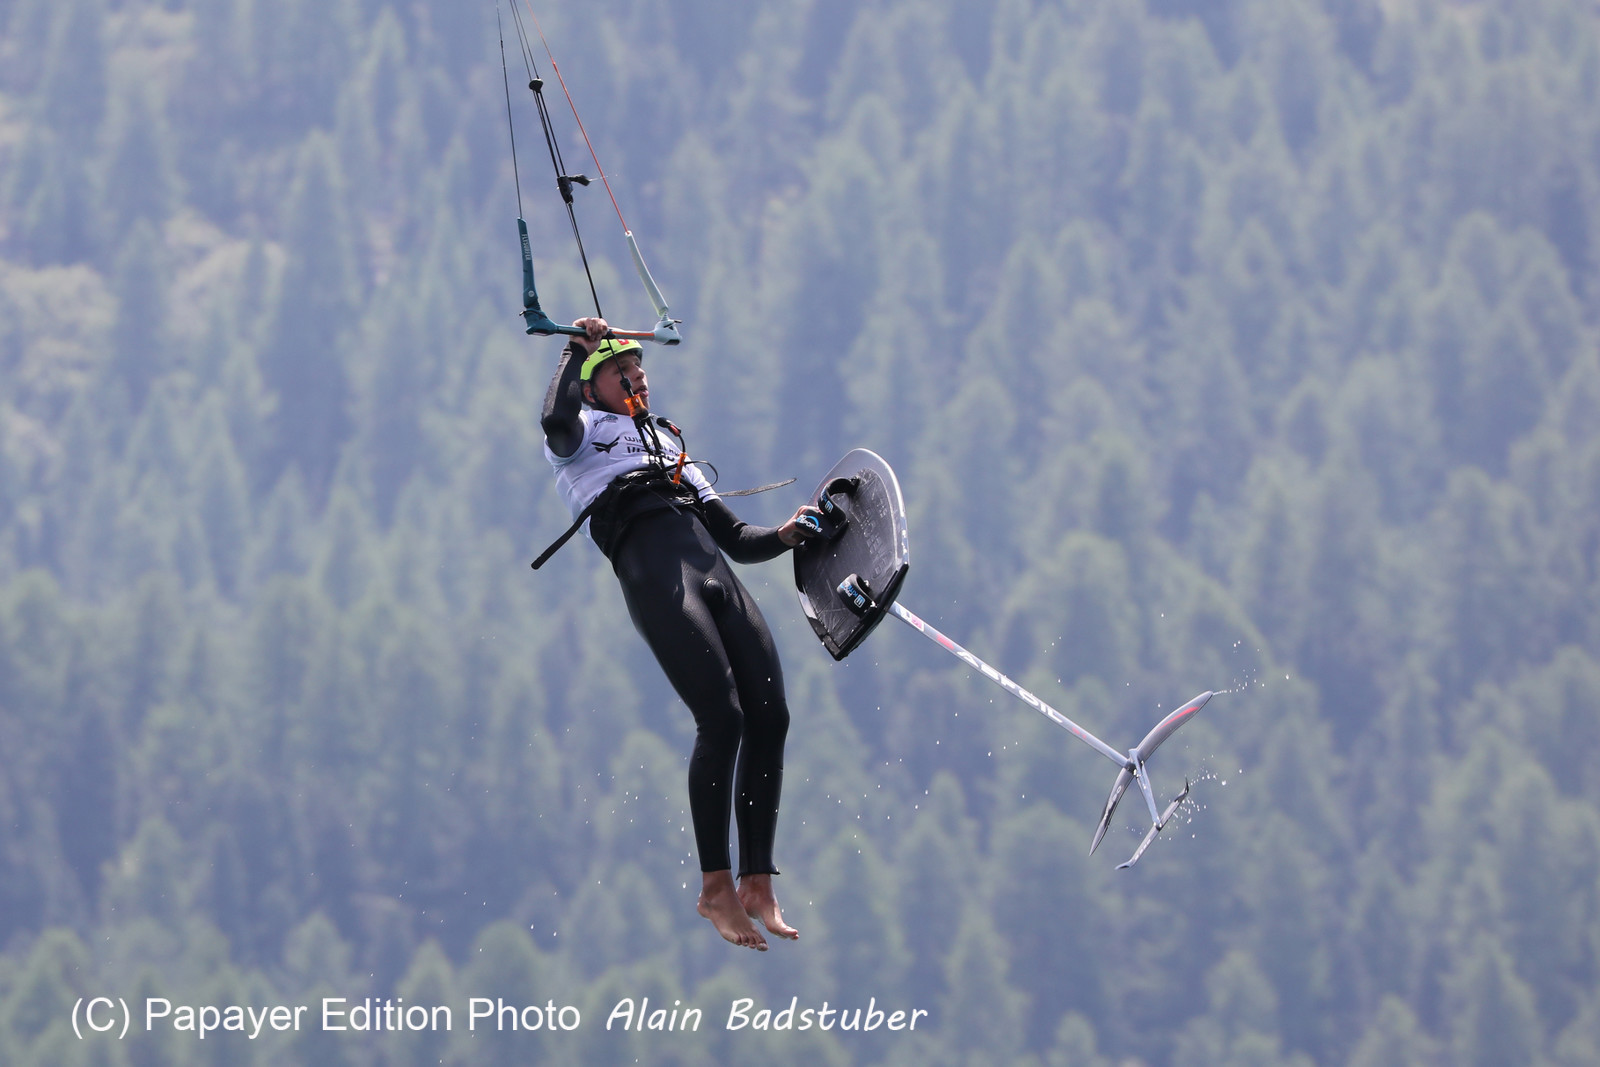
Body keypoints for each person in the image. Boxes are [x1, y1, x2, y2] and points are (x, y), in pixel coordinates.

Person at [540, 317, 820, 951]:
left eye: (640, 370)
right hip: (656, 574)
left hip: (714, 571)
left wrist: (786, 534)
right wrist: (573, 350)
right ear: (591, 390)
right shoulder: (579, 436)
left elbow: (738, 540)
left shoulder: (667, 443)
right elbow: (553, 422)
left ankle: (757, 881)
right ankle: (716, 886)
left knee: (769, 715)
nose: (638, 378)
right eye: (621, 373)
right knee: (722, 720)